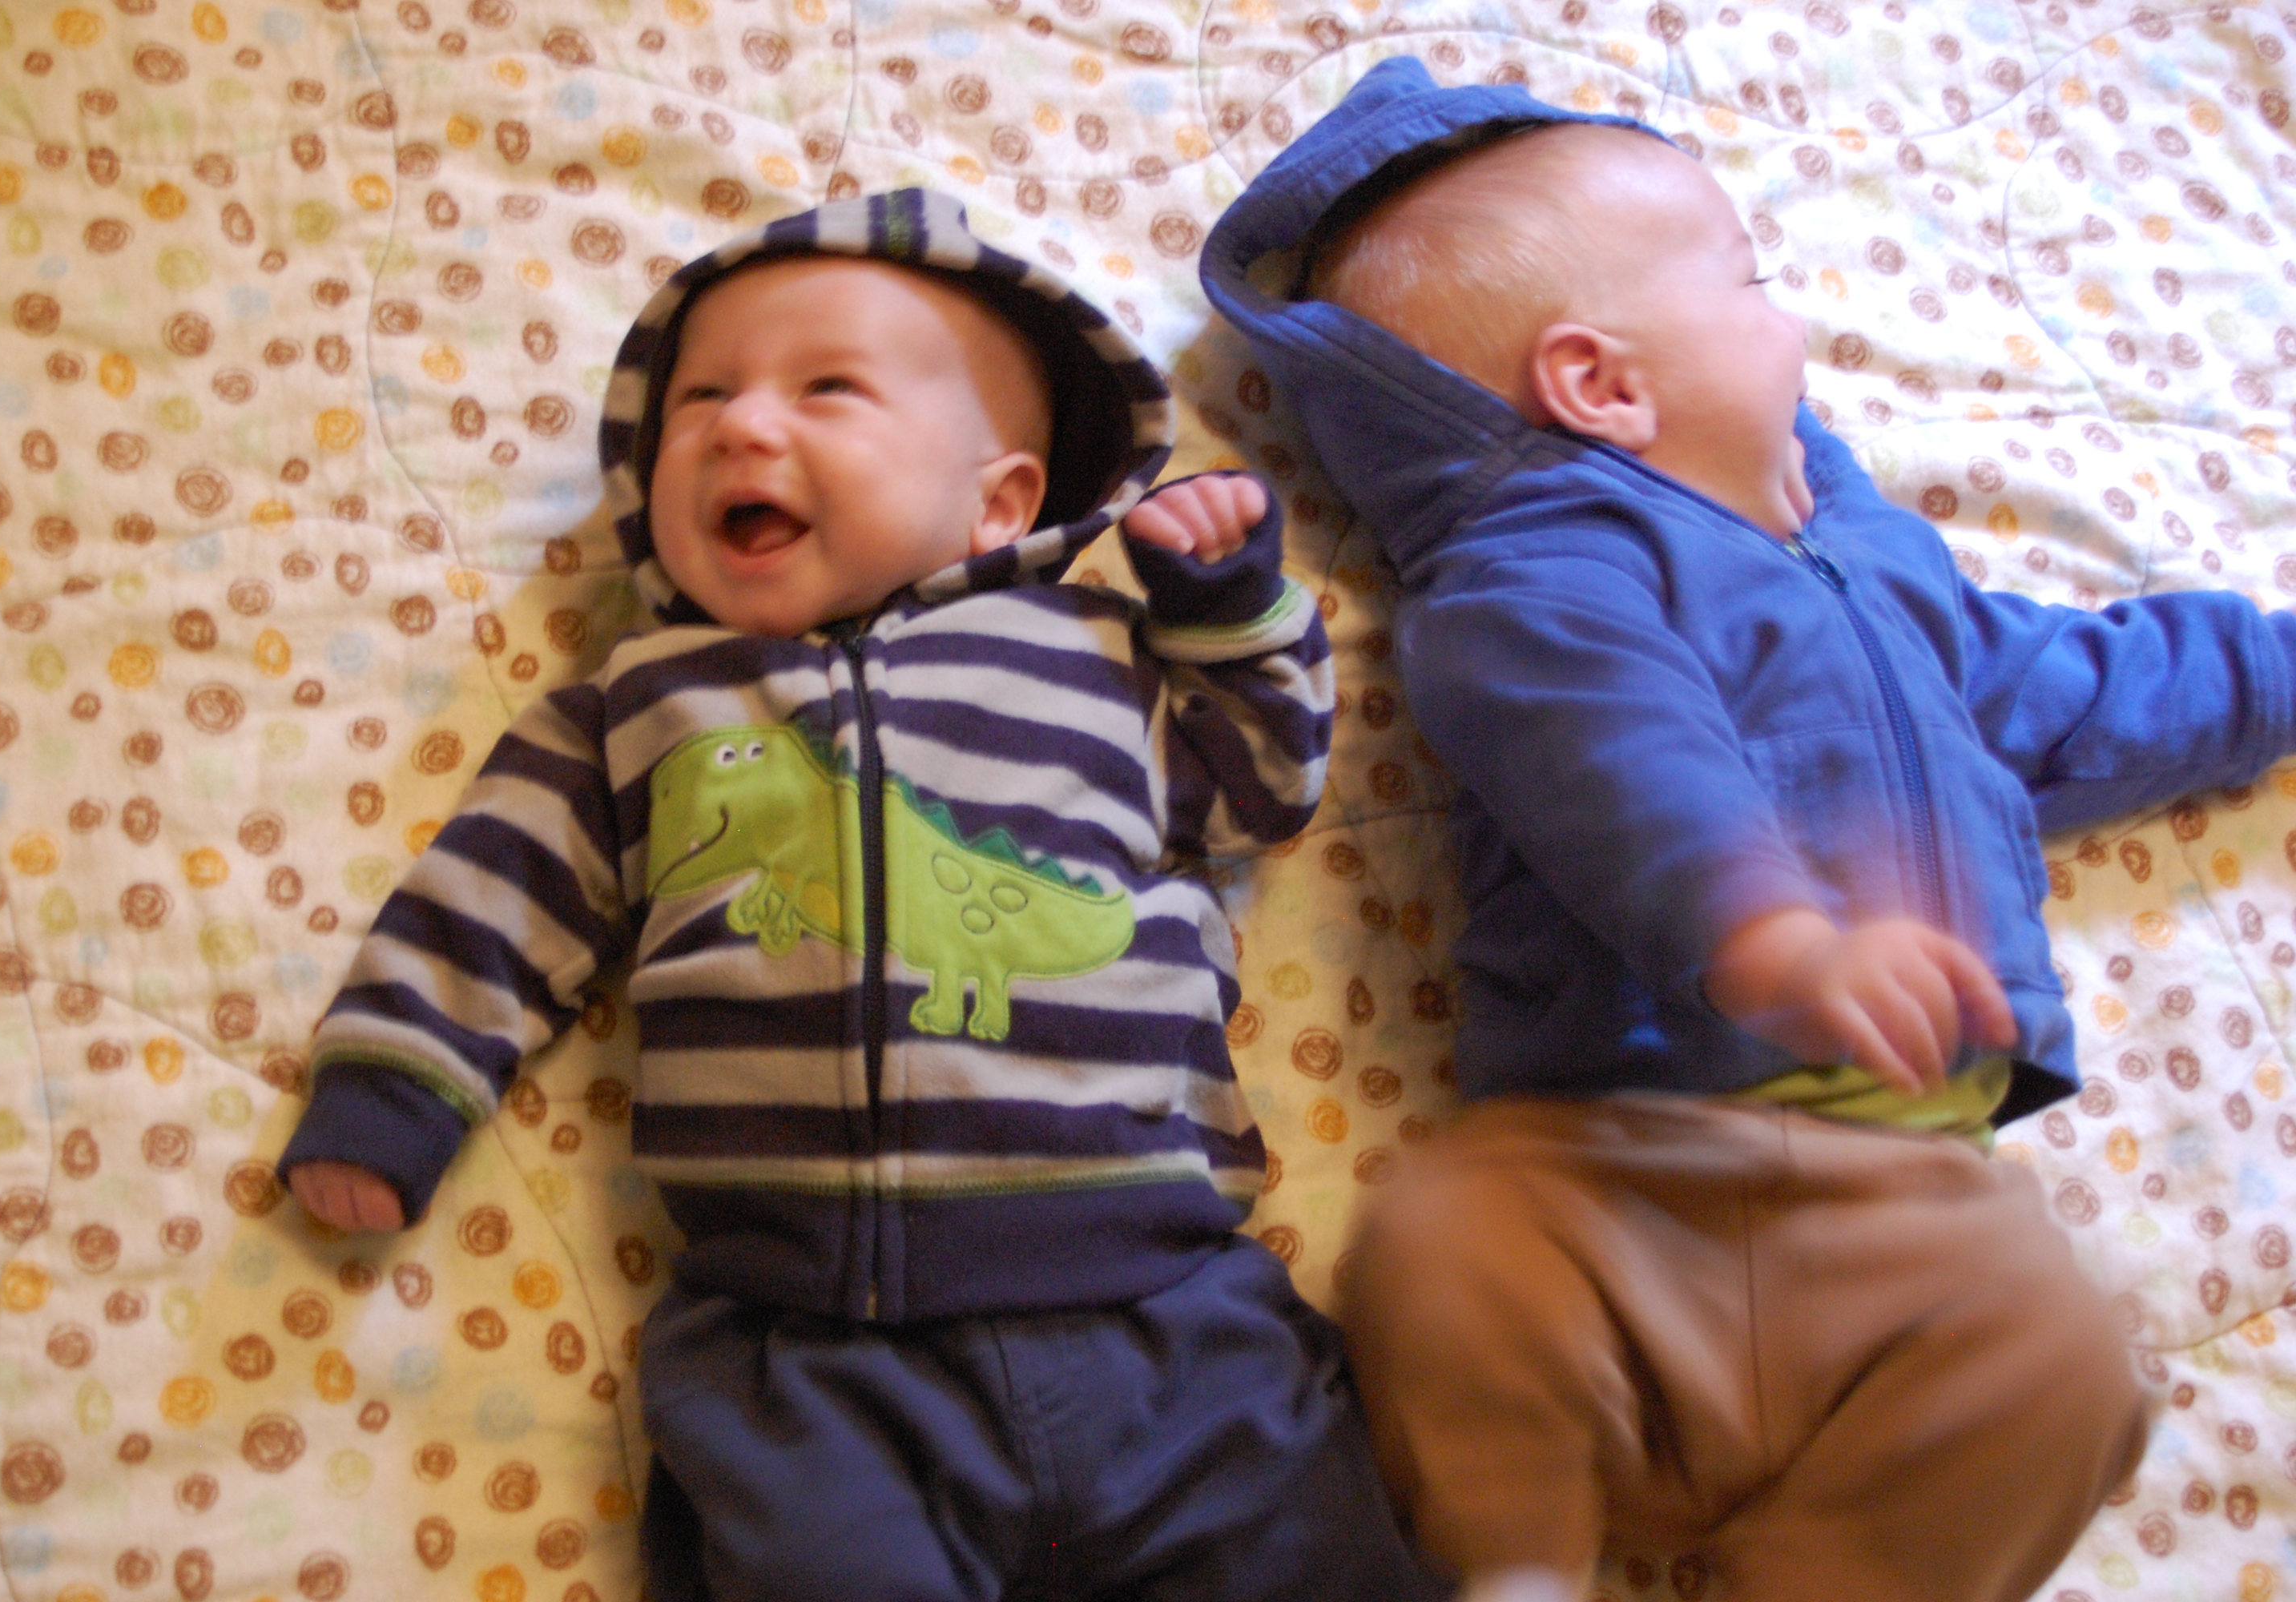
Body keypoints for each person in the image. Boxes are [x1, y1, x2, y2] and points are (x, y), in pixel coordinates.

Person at [1196, 57, 2296, 1601]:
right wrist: (1769, 937)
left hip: (1905, 1203)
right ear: (1602, 386)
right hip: (1619, 1171)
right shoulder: (1540, 570)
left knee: (2067, 1362)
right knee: (1445, 1239)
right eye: (1752, 279)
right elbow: (1612, 752)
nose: (1793, 324)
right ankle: (1511, 1560)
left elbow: (2084, 692)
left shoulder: (1889, 578)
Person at [276, 187, 1438, 1602]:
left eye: (828, 390)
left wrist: (1225, 608)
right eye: (701, 399)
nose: (741, 427)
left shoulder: (1101, 658)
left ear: (998, 500)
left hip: (1165, 1316)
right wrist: (391, 1091)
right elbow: (492, 891)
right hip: (805, 1360)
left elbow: (1267, 783)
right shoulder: (636, 709)